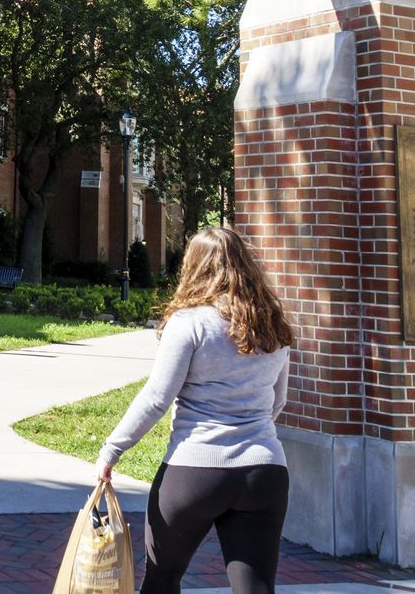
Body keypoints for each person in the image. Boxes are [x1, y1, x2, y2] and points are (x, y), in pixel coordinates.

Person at [96, 226, 293, 594]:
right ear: (245, 265)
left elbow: (157, 396)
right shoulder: (273, 325)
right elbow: (277, 402)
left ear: (194, 267)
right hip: (265, 470)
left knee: (162, 579)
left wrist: (113, 449)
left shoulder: (189, 324)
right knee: (257, 588)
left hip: (196, 470)